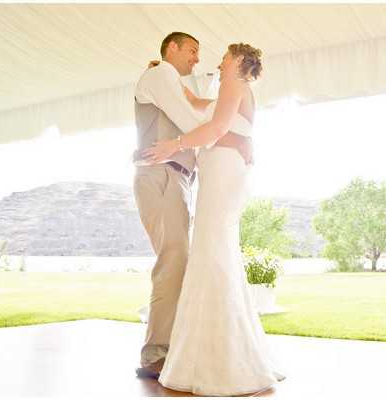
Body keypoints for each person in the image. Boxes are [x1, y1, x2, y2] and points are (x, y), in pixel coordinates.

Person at [143, 43, 285, 396]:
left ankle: (216, 358)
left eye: (224, 58)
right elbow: (206, 110)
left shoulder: (233, 84)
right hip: (222, 173)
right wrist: (180, 89)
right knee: (214, 251)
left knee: (212, 252)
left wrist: (173, 145)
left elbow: (218, 129)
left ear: (238, 62)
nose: (218, 64)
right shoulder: (233, 90)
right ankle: (219, 351)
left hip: (222, 175)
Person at [132, 32, 253, 379]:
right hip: (162, 175)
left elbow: (202, 110)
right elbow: (192, 123)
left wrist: (237, 135)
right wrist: (240, 139)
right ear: (172, 48)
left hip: (180, 179)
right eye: (192, 51)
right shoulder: (160, 75)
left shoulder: (172, 81)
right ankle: (156, 354)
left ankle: (175, 346)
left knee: (182, 262)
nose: (198, 59)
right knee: (173, 261)